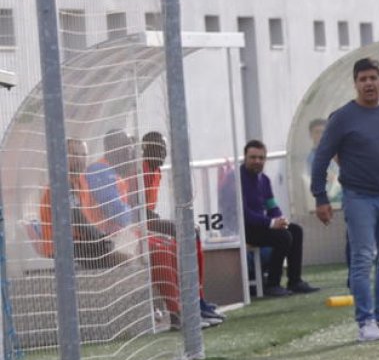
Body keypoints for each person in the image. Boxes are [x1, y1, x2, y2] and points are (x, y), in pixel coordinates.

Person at [311, 57, 379, 342]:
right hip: (358, 197)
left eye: (374, 77)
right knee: (362, 259)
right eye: (363, 79)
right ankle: (366, 322)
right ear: (356, 84)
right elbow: (321, 157)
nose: (369, 83)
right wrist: (320, 197)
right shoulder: (342, 118)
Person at [140, 131, 226, 326]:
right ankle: (188, 303)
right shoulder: (141, 170)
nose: (162, 154)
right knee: (179, 235)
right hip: (137, 227)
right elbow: (136, 210)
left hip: (146, 222)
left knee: (191, 231)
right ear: (145, 150)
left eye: (164, 150)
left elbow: (147, 209)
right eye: (157, 149)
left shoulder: (156, 171)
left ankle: (198, 297)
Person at [37, 137, 131, 269]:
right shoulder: (61, 183)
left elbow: (91, 216)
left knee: (123, 252)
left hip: (79, 243)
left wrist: (105, 235)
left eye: (84, 155)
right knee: (123, 260)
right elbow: (76, 217)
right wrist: (100, 238)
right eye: (75, 154)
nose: (80, 159)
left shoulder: (81, 181)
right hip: (61, 248)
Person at [241, 140, 319, 297]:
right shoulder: (237, 179)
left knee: (295, 230)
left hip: (260, 226)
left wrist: (280, 220)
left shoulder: (264, 180)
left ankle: (295, 281)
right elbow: (243, 213)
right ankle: (273, 284)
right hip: (243, 229)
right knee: (283, 237)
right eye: (253, 157)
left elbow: (272, 206)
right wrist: (271, 223)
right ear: (245, 158)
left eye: (261, 158)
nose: (257, 161)